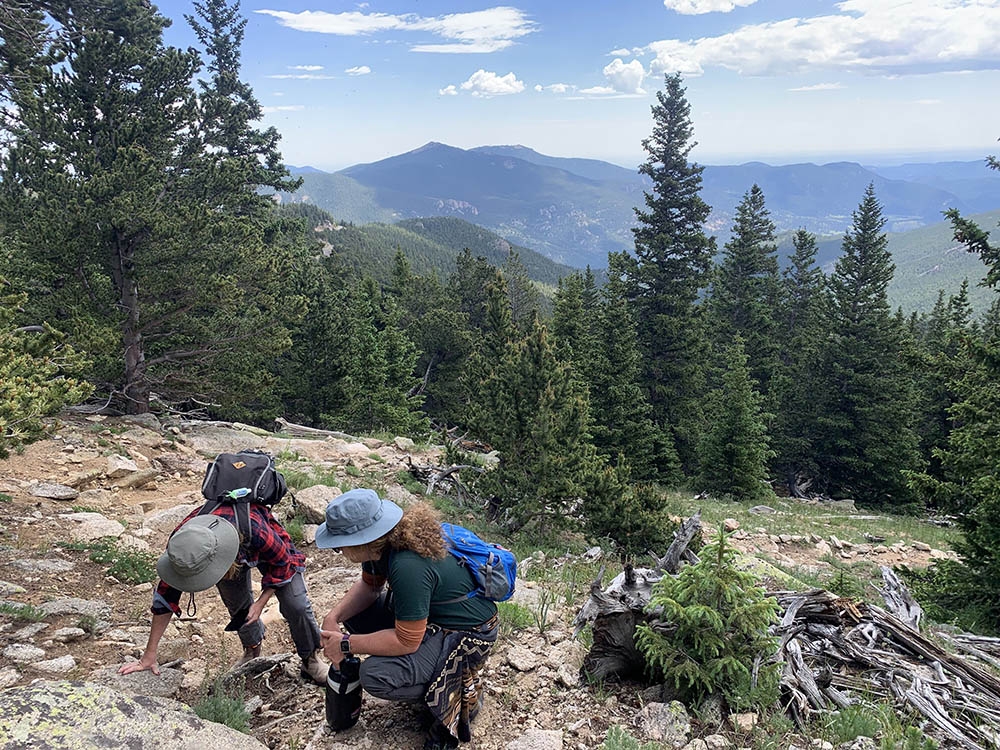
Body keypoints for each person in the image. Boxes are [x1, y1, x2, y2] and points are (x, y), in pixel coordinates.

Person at [316, 488, 499, 749]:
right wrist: (333, 616)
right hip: (434, 621)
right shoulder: (381, 547)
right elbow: (369, 588)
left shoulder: (407, 564)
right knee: (358, 617)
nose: (339, 552)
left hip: (468, 634)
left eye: (339, 546)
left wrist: (345, 644)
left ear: (361, 540)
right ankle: (425, 672)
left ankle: (463, 695)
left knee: (375, 675)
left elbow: (406, 642)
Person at [118, 503, 329, 685]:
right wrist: (149, 654)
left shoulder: (255, 528)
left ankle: (310, 659)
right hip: (226, 550)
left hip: (265, 548)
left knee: (296, 605)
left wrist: (261, 602)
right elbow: (164, 599)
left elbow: (284, 563)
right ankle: (252, 649)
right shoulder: (182, 548)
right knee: (238, 607)